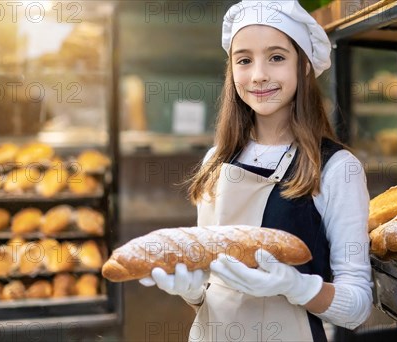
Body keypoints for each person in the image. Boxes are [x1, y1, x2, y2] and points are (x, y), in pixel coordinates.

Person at [140, 1, 373, 341]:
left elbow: (358, 307)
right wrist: (193, 292)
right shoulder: (215, 163)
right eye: (244, 60)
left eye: (276, 57)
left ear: (304, 66)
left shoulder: (337, 170)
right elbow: (212, 298)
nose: (258, 74)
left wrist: (298, 287)